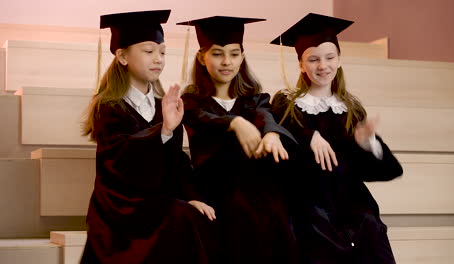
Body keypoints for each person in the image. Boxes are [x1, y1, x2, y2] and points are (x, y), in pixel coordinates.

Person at [270, 13, 403, 264]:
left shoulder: (351, 109)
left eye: (330, 58)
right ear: (301, 64)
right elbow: (282, 145)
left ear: (339, 60)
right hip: (309, 203)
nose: (323, 66)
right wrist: (309, 135)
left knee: (370, 229)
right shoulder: (286, 105)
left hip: (351, 202)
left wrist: (367, 143)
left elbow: (383, 170)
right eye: (313, 59)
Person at [81, 10, 212, 264]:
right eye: (149, 51)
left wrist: (192, 195)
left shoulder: (164, 104)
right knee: (179, 216)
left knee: (197, 214)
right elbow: (119, 161)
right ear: (122, 56)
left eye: (162, 52)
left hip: (156, 204)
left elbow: (177, 161)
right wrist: (162, 131)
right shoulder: (109, 106)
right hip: (120, 209)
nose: (159, 59)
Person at [177, 16, 298, 264]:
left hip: (255, 197)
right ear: (202, 57)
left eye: (234, 54)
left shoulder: (255, 100)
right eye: (217, 54)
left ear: (242, 57)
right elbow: (203, 119)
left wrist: (272, 133)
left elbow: (266, 117)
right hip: (214, 197)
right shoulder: (190, 102)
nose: (226, 62)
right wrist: (235, 122)